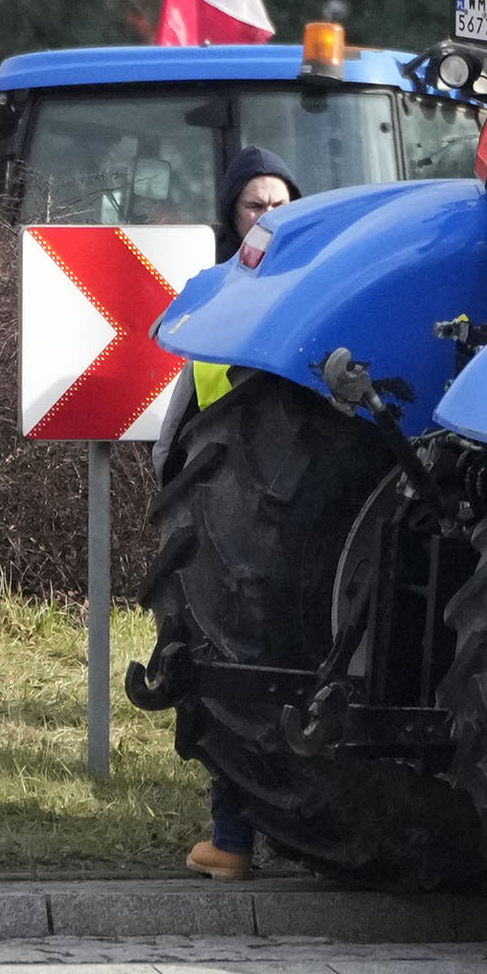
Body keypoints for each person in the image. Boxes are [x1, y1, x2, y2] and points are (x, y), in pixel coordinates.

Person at [184, 145, 304, 885]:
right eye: (255, 204)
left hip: (263, 505)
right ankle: (233, 837)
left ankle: (241, 836)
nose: (270, 213)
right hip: (233, 507)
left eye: (281, 200)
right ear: (231, 215)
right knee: (233, 669)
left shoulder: (219, 291)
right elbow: (182, 416)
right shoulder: (233, 290)